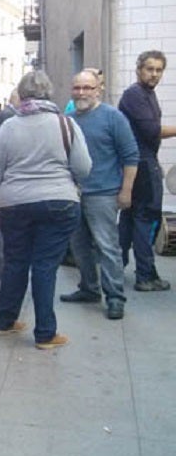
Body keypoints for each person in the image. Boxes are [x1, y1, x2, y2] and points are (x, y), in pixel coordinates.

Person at [0, 70, 92, 349]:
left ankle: (5, 321)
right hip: (59, 202)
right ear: (49, 94)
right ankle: (45, 333)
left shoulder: (8, 127)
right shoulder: (66, 124)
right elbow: (84, 168)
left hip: (14, 204)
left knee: (15, 262)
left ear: (22, 96)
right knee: (45, 266)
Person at [60, 69, 138, 319]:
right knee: (79, 246)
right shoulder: (68, 119)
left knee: (107, 247)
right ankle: (89, 288)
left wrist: (126, 191)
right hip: (74, 194)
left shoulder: (113, 118)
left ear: (98, 90)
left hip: (103, 194)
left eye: (87, 88)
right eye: (77, 88)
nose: (82, 92)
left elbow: (130, 156)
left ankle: (115, 297)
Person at [118, 50, 176, 291]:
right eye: (149, 69)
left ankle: (117, 267)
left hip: (141, 161)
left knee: (131, 218)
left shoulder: (145, 94)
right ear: (139, 69)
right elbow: (151, 131)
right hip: (141, 163)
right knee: (144, 218)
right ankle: (145, 275)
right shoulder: (135, 95)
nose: (154, 74)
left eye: (159, 70)